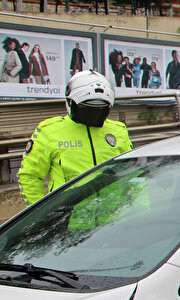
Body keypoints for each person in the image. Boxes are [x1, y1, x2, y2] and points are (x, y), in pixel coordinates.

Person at [18, 70, 132, 205]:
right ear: (70, 103)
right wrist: (41, 216)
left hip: (113, 219)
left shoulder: (118, 131)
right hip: (68, 220)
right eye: (86, 107)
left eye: (100, 108)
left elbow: (132, 173)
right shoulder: (50, 131)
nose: (93, 113)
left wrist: (139, 214)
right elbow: (29, 176)